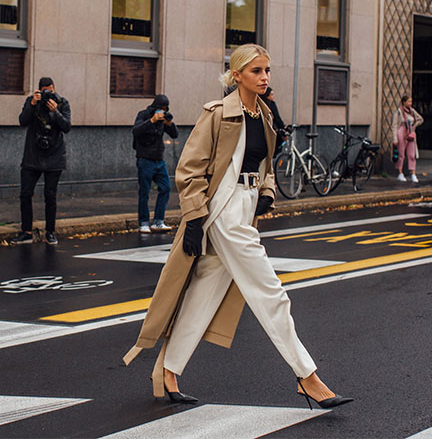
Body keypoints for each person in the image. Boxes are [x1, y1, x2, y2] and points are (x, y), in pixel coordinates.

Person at [123, 44, 353, 410]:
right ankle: (307, 377)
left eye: (268, 71)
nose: (265, 77)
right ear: (237, 75)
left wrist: (266, 192)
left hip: (245, 209)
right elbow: (189, 169)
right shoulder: (217, 114)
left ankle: (167, 372)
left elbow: (266, 166)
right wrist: (196, 217)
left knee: (204, 292)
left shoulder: (263, 115)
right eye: (257, 71)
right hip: (223, 210)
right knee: (270, 293)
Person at [11, 77, 71, 245]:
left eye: (50, 91)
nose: (47, 94)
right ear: (39, 90)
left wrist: (56, 112)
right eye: (44, 91)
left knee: (50, 196)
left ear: (54, 89)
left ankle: (50, 232)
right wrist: (32, 104)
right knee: (25, 194)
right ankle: (26, 231)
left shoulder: (62, 102)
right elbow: (22, 121)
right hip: (33, 155)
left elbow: (67, 126)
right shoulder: (32, 102)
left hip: (55, 156)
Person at [132, 95, 178, 233]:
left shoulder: (163, 119)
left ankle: (158, 221)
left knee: (165, 188)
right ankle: (143, 222)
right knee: (144, 192)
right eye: (160, 109)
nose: (161, 112)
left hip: (159, 160)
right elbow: (136, 131)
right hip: (145, 159)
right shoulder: (143, 115)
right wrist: (151, 121)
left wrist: (169, 123)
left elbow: (175, 135)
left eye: (164, 109)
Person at [392, 95, 423, 183]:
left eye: (411, 101)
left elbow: (420, 119)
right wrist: (395, 139)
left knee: (412, 154)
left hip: (410, 133)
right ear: (404, 102)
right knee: (401, 154)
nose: (410, 103)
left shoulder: (412, 111)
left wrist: (414, 126)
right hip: (401, 131)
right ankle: (400, 173)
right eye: (409, 101)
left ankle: (413, 173)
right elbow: (394, 126)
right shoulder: (398, 112)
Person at [262, 86, 287, 157]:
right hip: (270, 132)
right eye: (271, 94)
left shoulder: (258, 103)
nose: (273, 97)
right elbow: (277, 118)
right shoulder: (271, 104)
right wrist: (284, 129)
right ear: (267, 95)